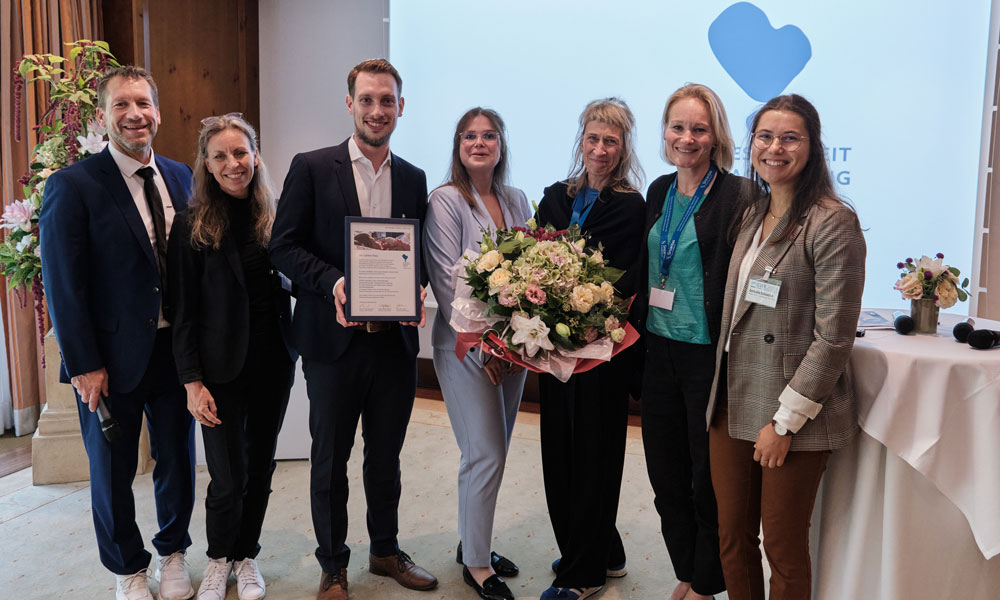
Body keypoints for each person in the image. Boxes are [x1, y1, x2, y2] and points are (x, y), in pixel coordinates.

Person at [268, 58, 436, 600]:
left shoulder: (412, 177)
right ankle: (333, 564)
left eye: (387, 100)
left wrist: (417, 285)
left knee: (385, 457)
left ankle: (384, 551)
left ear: (400, 107)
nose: (377, 110)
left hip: (393, 346)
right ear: (349, 105)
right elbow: (283, 247)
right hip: (331, 345)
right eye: (367, 99)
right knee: (330, 459)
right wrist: (336, 282)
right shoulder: (312, 167)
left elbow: (420, 259)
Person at [39, 66, 196, 600]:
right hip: (107, 359)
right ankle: (127, 569)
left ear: (157, 109)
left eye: (144, 103)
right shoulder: (73, 184)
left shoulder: (181, 176)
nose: (135, 115)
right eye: (122, 105)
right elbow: (63, 283)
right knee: (111, 470)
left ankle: (173, 554)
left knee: (177, 457)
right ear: (103, 116)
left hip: (176, 352)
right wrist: (83, 363)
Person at [706, 94, 866, 600]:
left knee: (782, 546)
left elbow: (833, 338)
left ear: (813, 147)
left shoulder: (832, 221)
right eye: (765, 136)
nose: (775, 148)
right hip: (732, 397)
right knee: (731, 539)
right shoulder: (753, 213)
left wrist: (783, 423)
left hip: (791, 411)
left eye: (790, 137)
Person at [167, 114, 296, 600]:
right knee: (227, 477)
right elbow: (182, 311)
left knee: (260, 468)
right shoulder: (191, 224)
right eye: (220, 155)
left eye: (240, 152)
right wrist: (191, 380)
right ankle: (218, 559)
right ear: (206, 163)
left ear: (255, 155)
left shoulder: (276, 215)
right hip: (218, 370)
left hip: (273, 363)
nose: (233, 163)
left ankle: (247, 558)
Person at [534, 98, 646, 600]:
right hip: (553, 353)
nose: (600, 149)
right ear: (581, 139)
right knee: (559, 452)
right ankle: (603, 548)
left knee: (596, 457)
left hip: (602, 355)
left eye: (611, 141)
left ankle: (583, 574)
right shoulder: (555, 196)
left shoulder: (631, 206)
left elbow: (620, 281)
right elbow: (536, 258)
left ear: (623, 148)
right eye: (593, 138)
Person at [637, 84, 743, 600]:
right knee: (666, 475)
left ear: (715, 135)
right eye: (677, 126)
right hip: (658, 352)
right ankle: (688, 570)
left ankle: (707, 582)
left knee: (708, 480)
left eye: (698, 128)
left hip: (708, 358)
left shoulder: (741, 195)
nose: (687, 137)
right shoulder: (658, 190)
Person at [422, 108, 531, 600]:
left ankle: (475, 543)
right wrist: (489, 347)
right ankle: (477, 566)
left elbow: (530, 276)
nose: (479, 143)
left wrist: (515, 348)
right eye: (470, 135)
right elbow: (448, 283)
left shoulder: (515, 198)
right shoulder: (445, 200)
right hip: (466, 347)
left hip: (514, 351)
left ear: (501, 144)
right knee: (483, 453)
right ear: (458, 145)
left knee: (495, 452)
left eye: (489, 135)